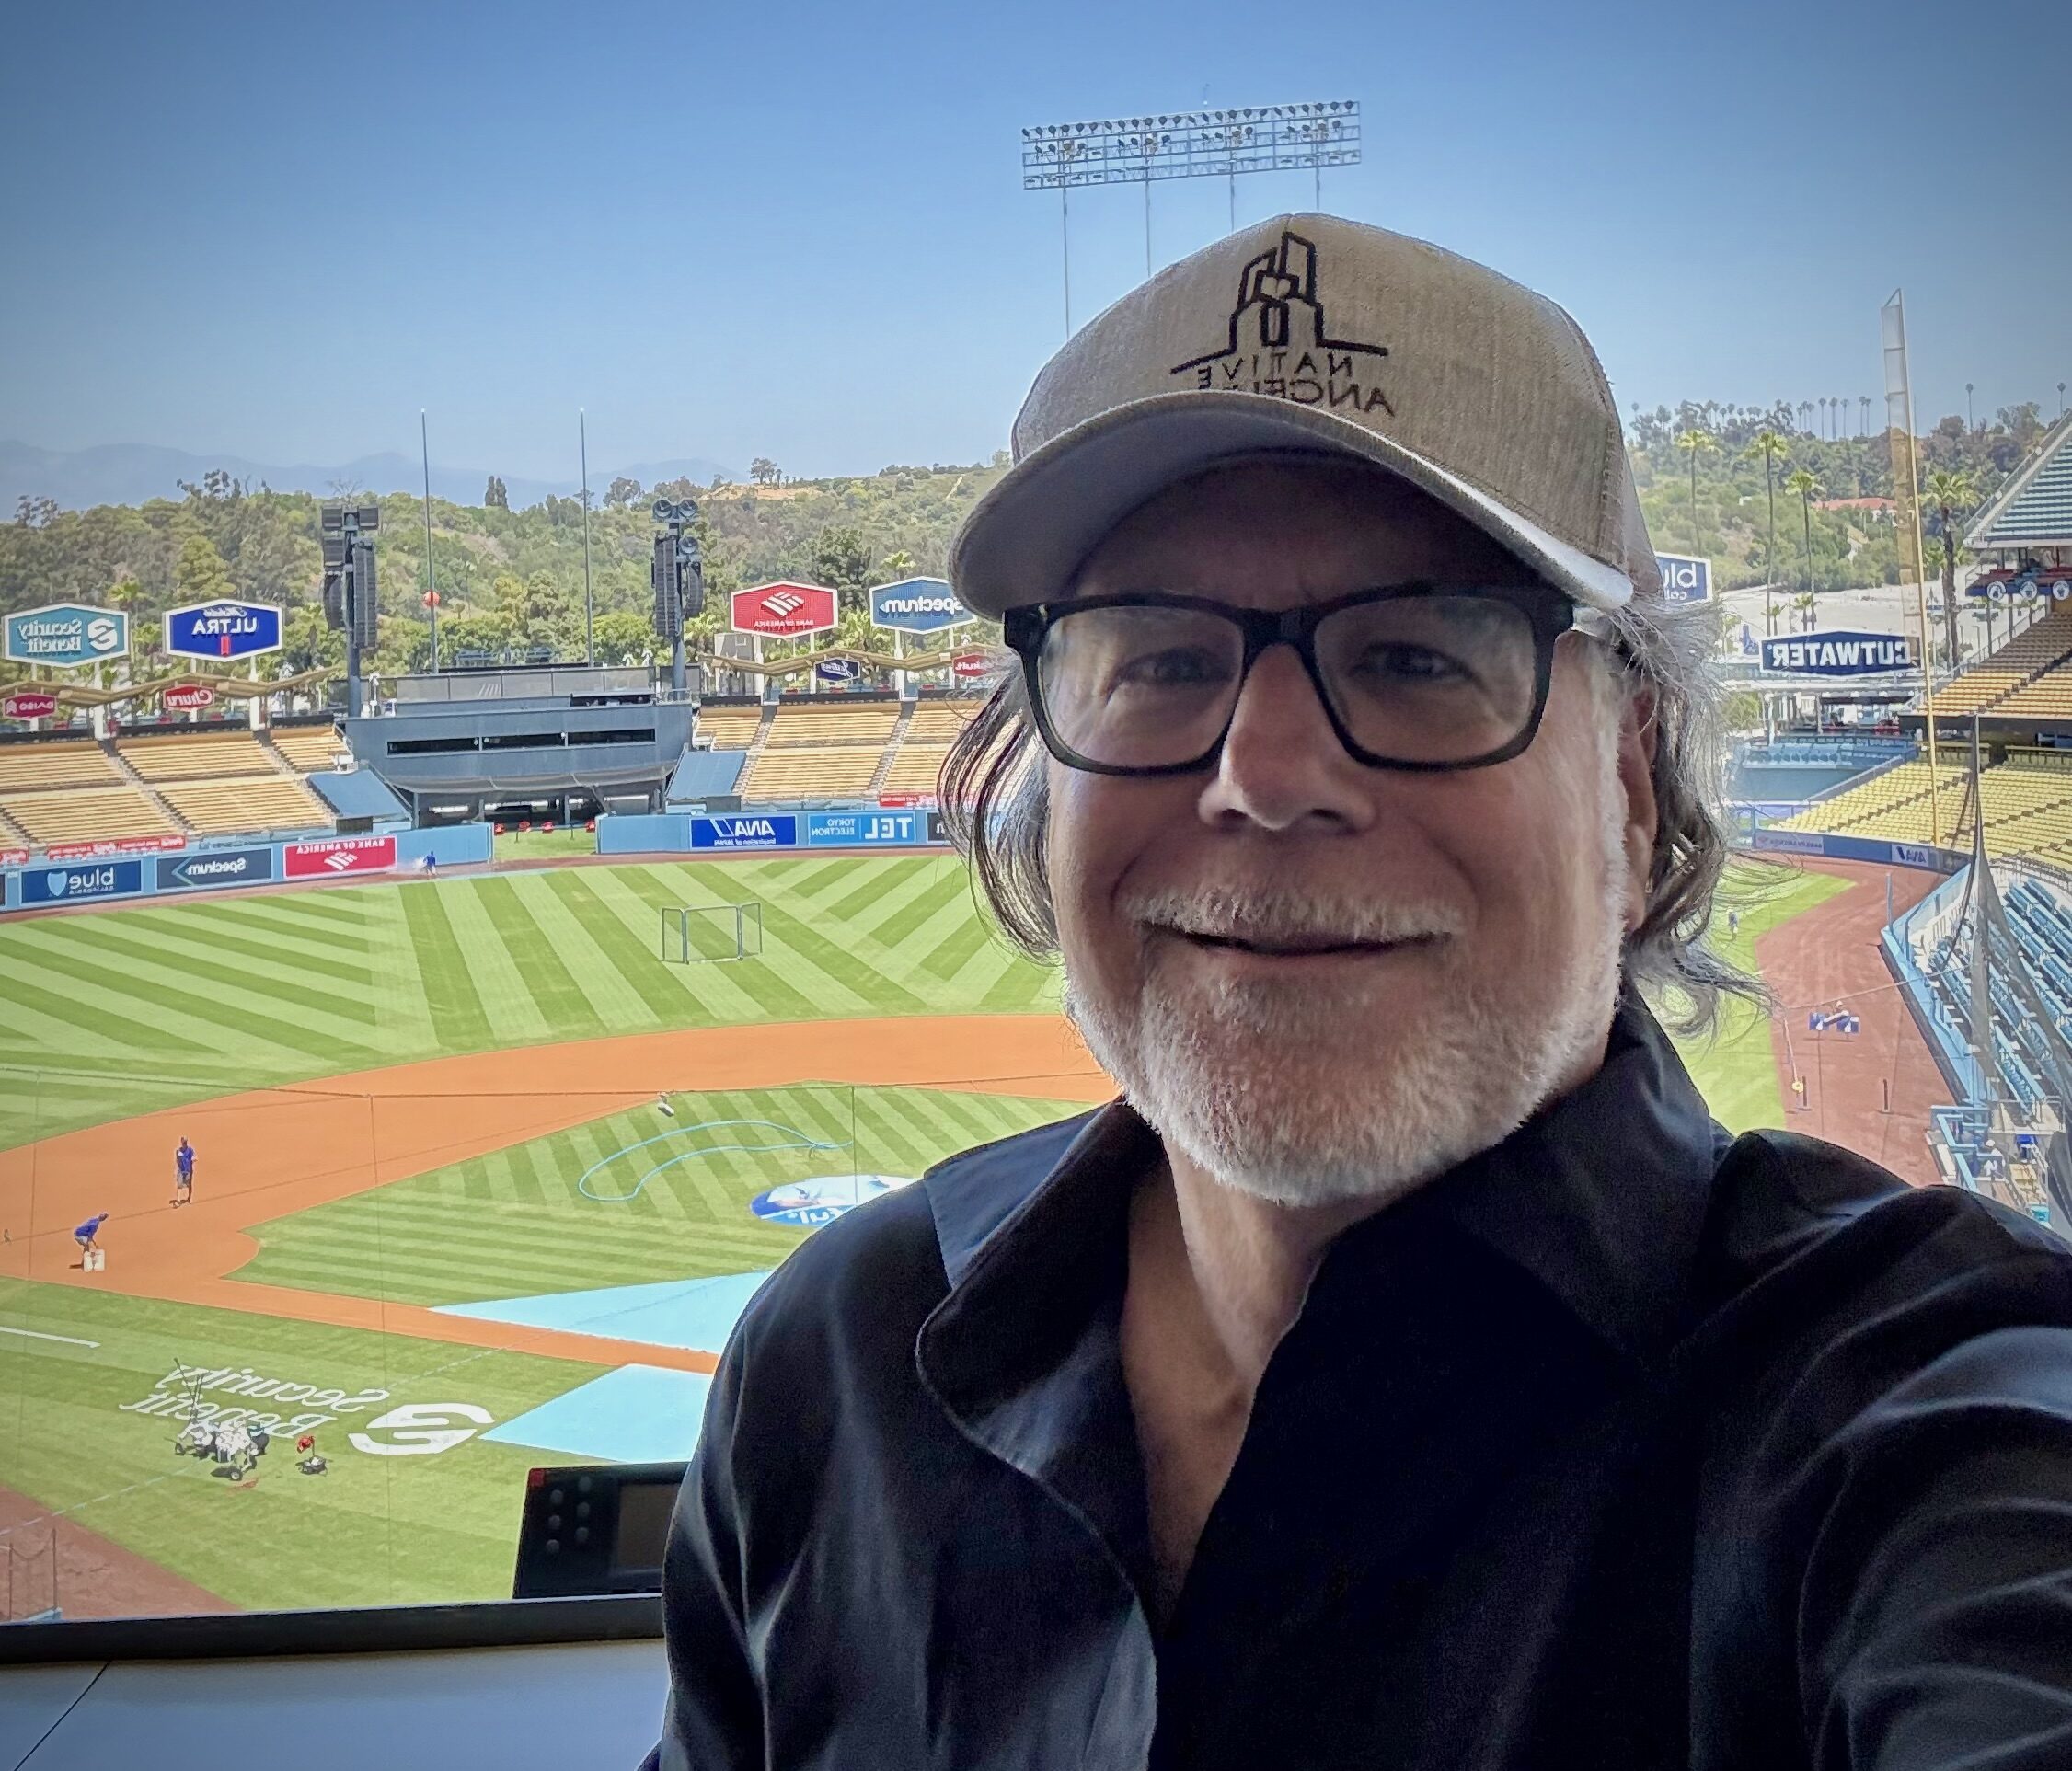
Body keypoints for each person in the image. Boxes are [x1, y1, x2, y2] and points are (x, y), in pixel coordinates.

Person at [652, 217, 2072, 1768]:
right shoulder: (838, 1363)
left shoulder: (1917, 1411)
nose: (1265, 777)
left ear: (1631, 784)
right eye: (1160, 661)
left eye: (1415, 655)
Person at [172, 1135, 194, 1207]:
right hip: (181, 1170)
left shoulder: (190, 1150)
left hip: (188, 1170)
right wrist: (176, 1170)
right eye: (184, 1141)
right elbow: (177, 1161)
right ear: (181, 1141)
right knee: (179, 1184)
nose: (185, 1143)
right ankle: (178, 1200)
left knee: (189, 1184)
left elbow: (193, 1157)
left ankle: (189, 1197)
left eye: (185, 1141)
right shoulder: (178, 1151)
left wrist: (194, 1159)